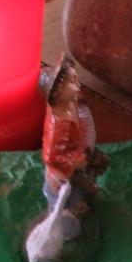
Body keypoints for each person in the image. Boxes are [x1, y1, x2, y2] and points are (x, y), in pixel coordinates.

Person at [40, 56, 106, 239]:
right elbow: (51, 157)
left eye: (76, 79)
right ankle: (66, 225)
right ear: (58, 91)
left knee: (96, 171)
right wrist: (75, 163)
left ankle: (84, 202)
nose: (78, 85)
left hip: (81, 154)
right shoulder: (59, 126)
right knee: (78, 192)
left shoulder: (70, 105)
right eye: (72, 82)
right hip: (64, 174)